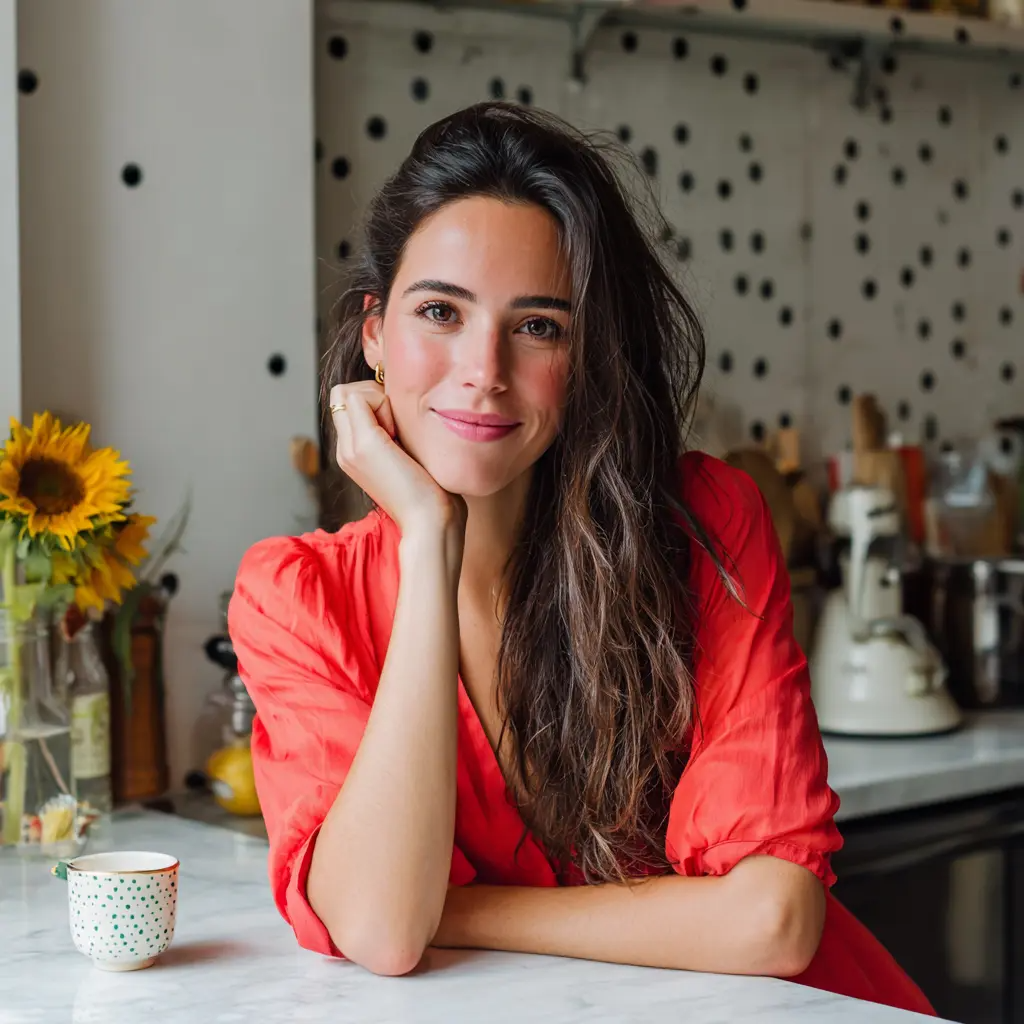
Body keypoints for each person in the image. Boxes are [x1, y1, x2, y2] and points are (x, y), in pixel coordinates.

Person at [228, 101, 934, 1014]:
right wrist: (430, 535)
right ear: (374, 334)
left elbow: (773, 923)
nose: (483, 370)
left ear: (586, 353)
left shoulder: (706, 526)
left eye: (539, 327)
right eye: (440, 312)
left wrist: (460, 912)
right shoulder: (296, 597)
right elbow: (388, 931)